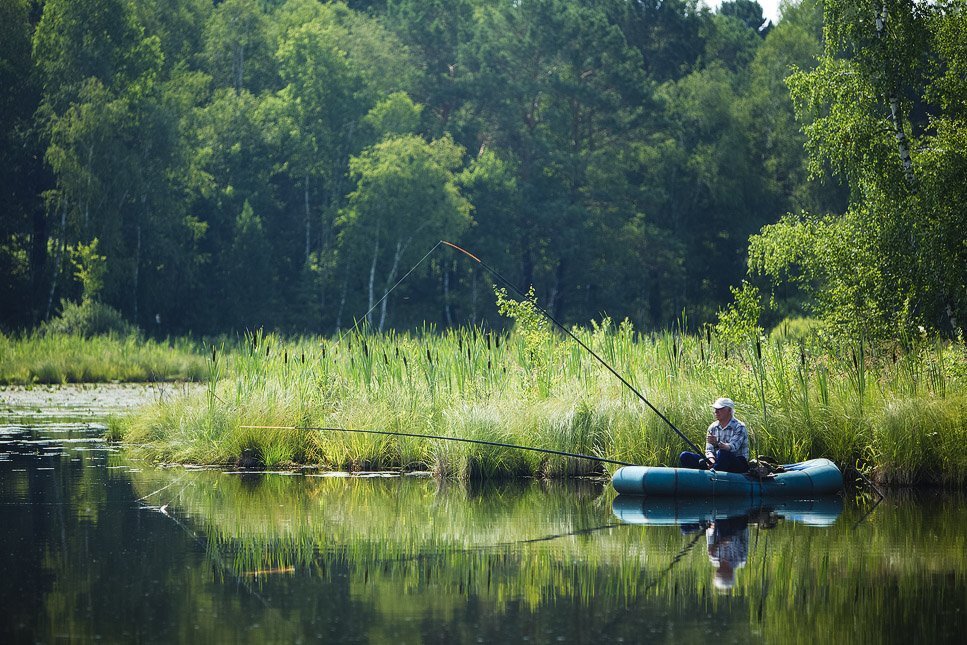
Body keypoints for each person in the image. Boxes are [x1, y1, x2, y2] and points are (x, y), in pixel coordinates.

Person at [679, 397, 749, 473]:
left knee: (723, 453)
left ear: (729, 410)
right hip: (718, 463)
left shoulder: (740, 427)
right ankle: (708, 474)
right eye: (715, 409)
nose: (716, 411)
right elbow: (709, 450)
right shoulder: (712, 427)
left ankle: (714, 475)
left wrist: (717, 444)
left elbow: (732, 447)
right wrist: (711, 459)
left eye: (720, 409)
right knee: (685, 456)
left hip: (737, 464)